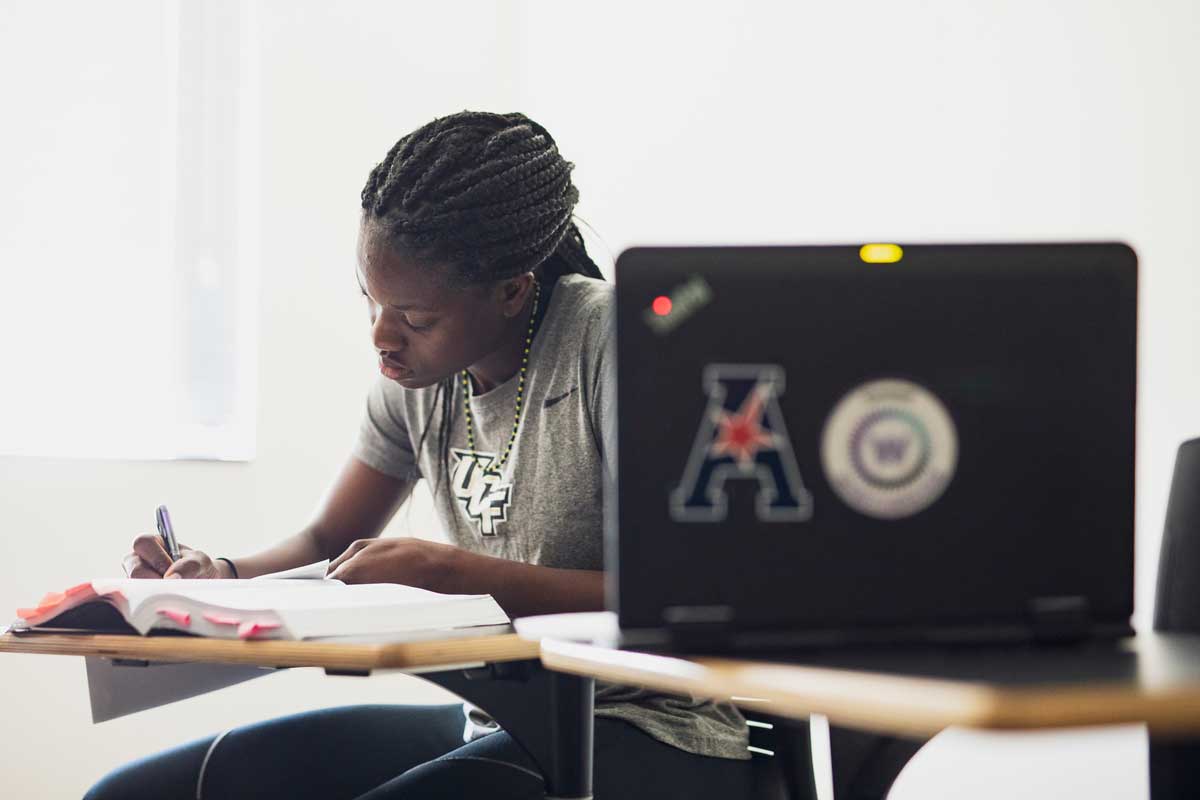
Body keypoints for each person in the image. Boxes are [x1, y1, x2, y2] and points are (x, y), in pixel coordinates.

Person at [87, 111, 754, 800]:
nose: (382, 337)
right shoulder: (419, 383)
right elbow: (330, 539)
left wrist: (450, 571)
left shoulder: (609, 344)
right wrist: (223, 576)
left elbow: (679, 599)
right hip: (502, 720)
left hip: (657, 732)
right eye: (369, 301)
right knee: (132, 795)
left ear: (511, 290)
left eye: (414, 318)